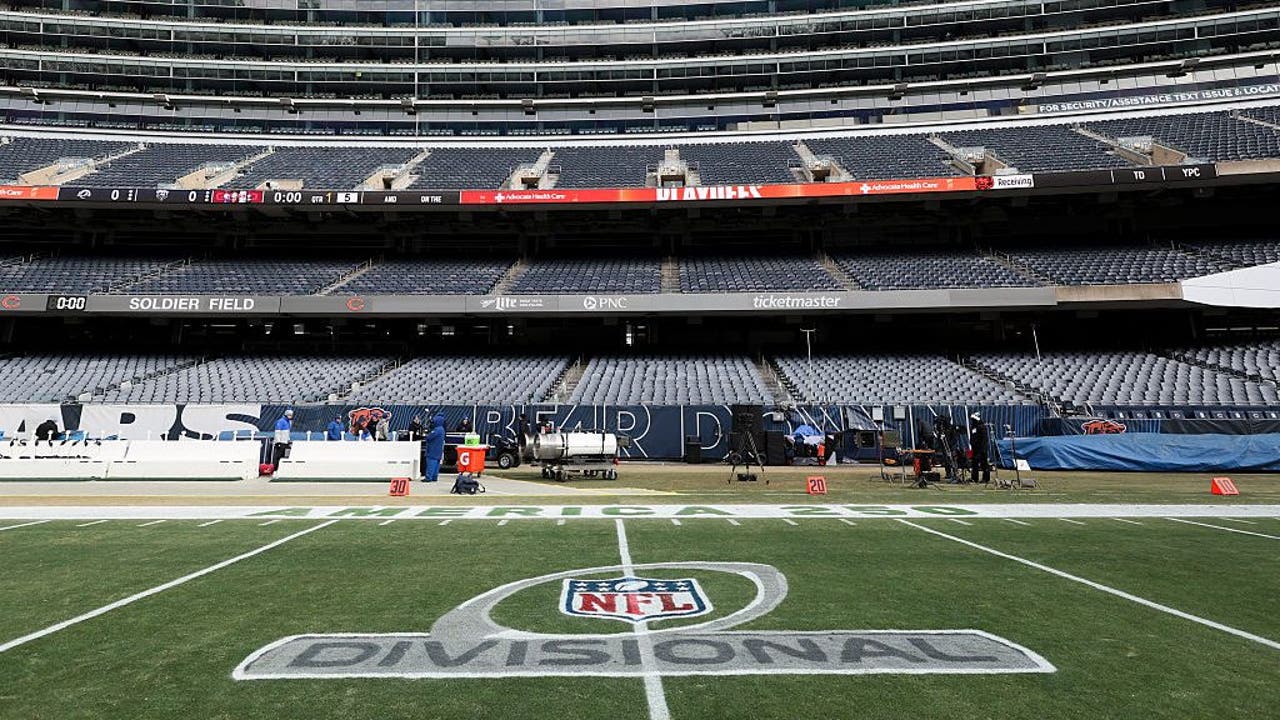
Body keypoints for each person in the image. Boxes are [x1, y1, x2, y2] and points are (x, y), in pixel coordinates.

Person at [423, 414, 446, 482]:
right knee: (437, 464)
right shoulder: (442, 429)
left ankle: (428, 477)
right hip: (439, 449)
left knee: (431, 463)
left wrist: (427, 434)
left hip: (432, 449)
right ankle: (434, 477)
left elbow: (429, 437)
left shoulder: (436, 430)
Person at [968, 413, 991, 484]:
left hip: (981, 449)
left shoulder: (981, 427)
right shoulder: (973, 427)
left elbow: (983, 439)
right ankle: (974, 478)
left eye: (973, 419)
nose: (972, 421)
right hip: (975, 448)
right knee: (974, 463)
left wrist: (981, 448)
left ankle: (986, 478)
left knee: (984, 463)